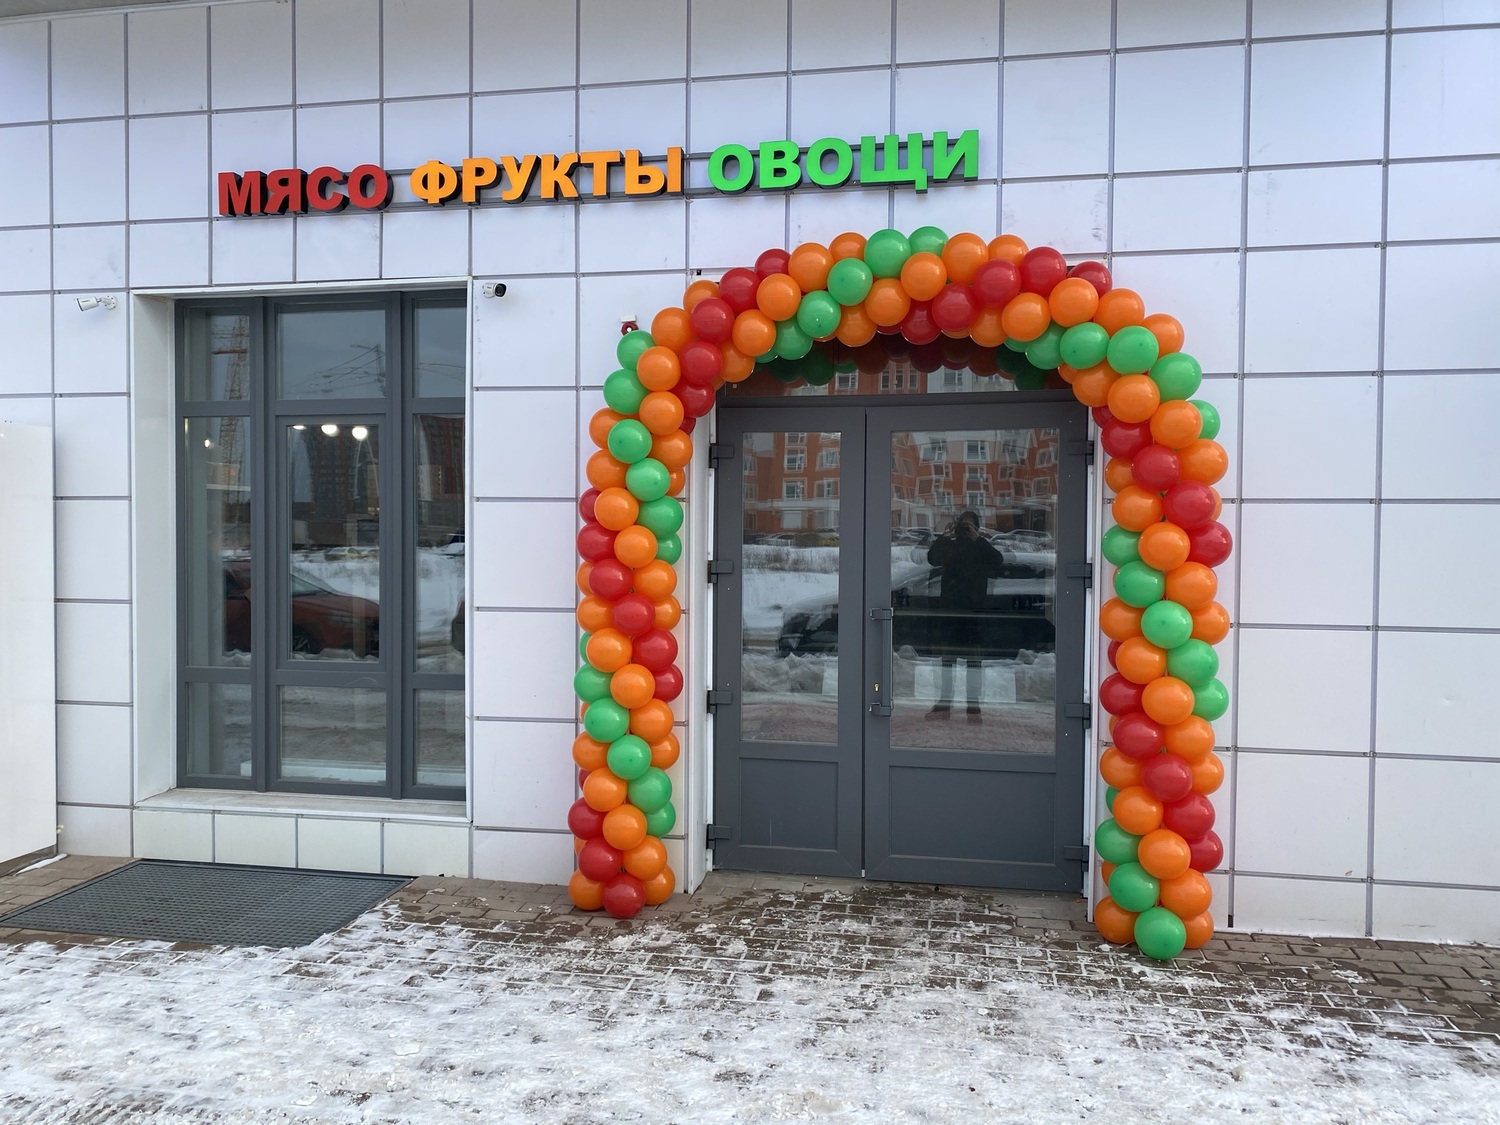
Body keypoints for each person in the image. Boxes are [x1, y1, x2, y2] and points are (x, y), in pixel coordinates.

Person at [925, 510, 1005, 721]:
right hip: (950, 613)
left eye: (969, 526)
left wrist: (979, 540)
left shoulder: (980, 547)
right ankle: (944, 705)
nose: (965, 529)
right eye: (963, 525)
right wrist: (944, 537)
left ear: (976, 528)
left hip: (974, 614)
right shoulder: (950, 545)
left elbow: (998, 561)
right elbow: (932, 559)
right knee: (947, 662)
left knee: (974, 663)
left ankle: (973, 708)